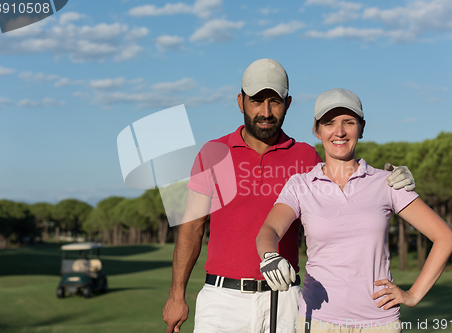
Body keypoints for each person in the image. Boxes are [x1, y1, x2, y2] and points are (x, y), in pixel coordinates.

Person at [162, 60, 416, 333]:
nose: (266, 111)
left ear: (289, 103)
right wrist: (177, 295)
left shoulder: (306, 156)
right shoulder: (213, 153)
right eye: (257, 101)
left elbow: (348, 190)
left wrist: (389, 178)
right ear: (240, 101)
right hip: (223, 299)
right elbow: (191, 228)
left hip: (285, 300)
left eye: (275, 101)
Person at [256, 88, 452, 333]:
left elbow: (445, 237)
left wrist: (413, 295)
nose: (339, 132)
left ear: (361, 128)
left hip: (379, 323)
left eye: (348, 122)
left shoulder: (388, 182)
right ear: (317, 131)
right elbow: (270, 229)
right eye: (329, 123)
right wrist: (269, 255)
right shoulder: (300, 185)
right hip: (318, 321)